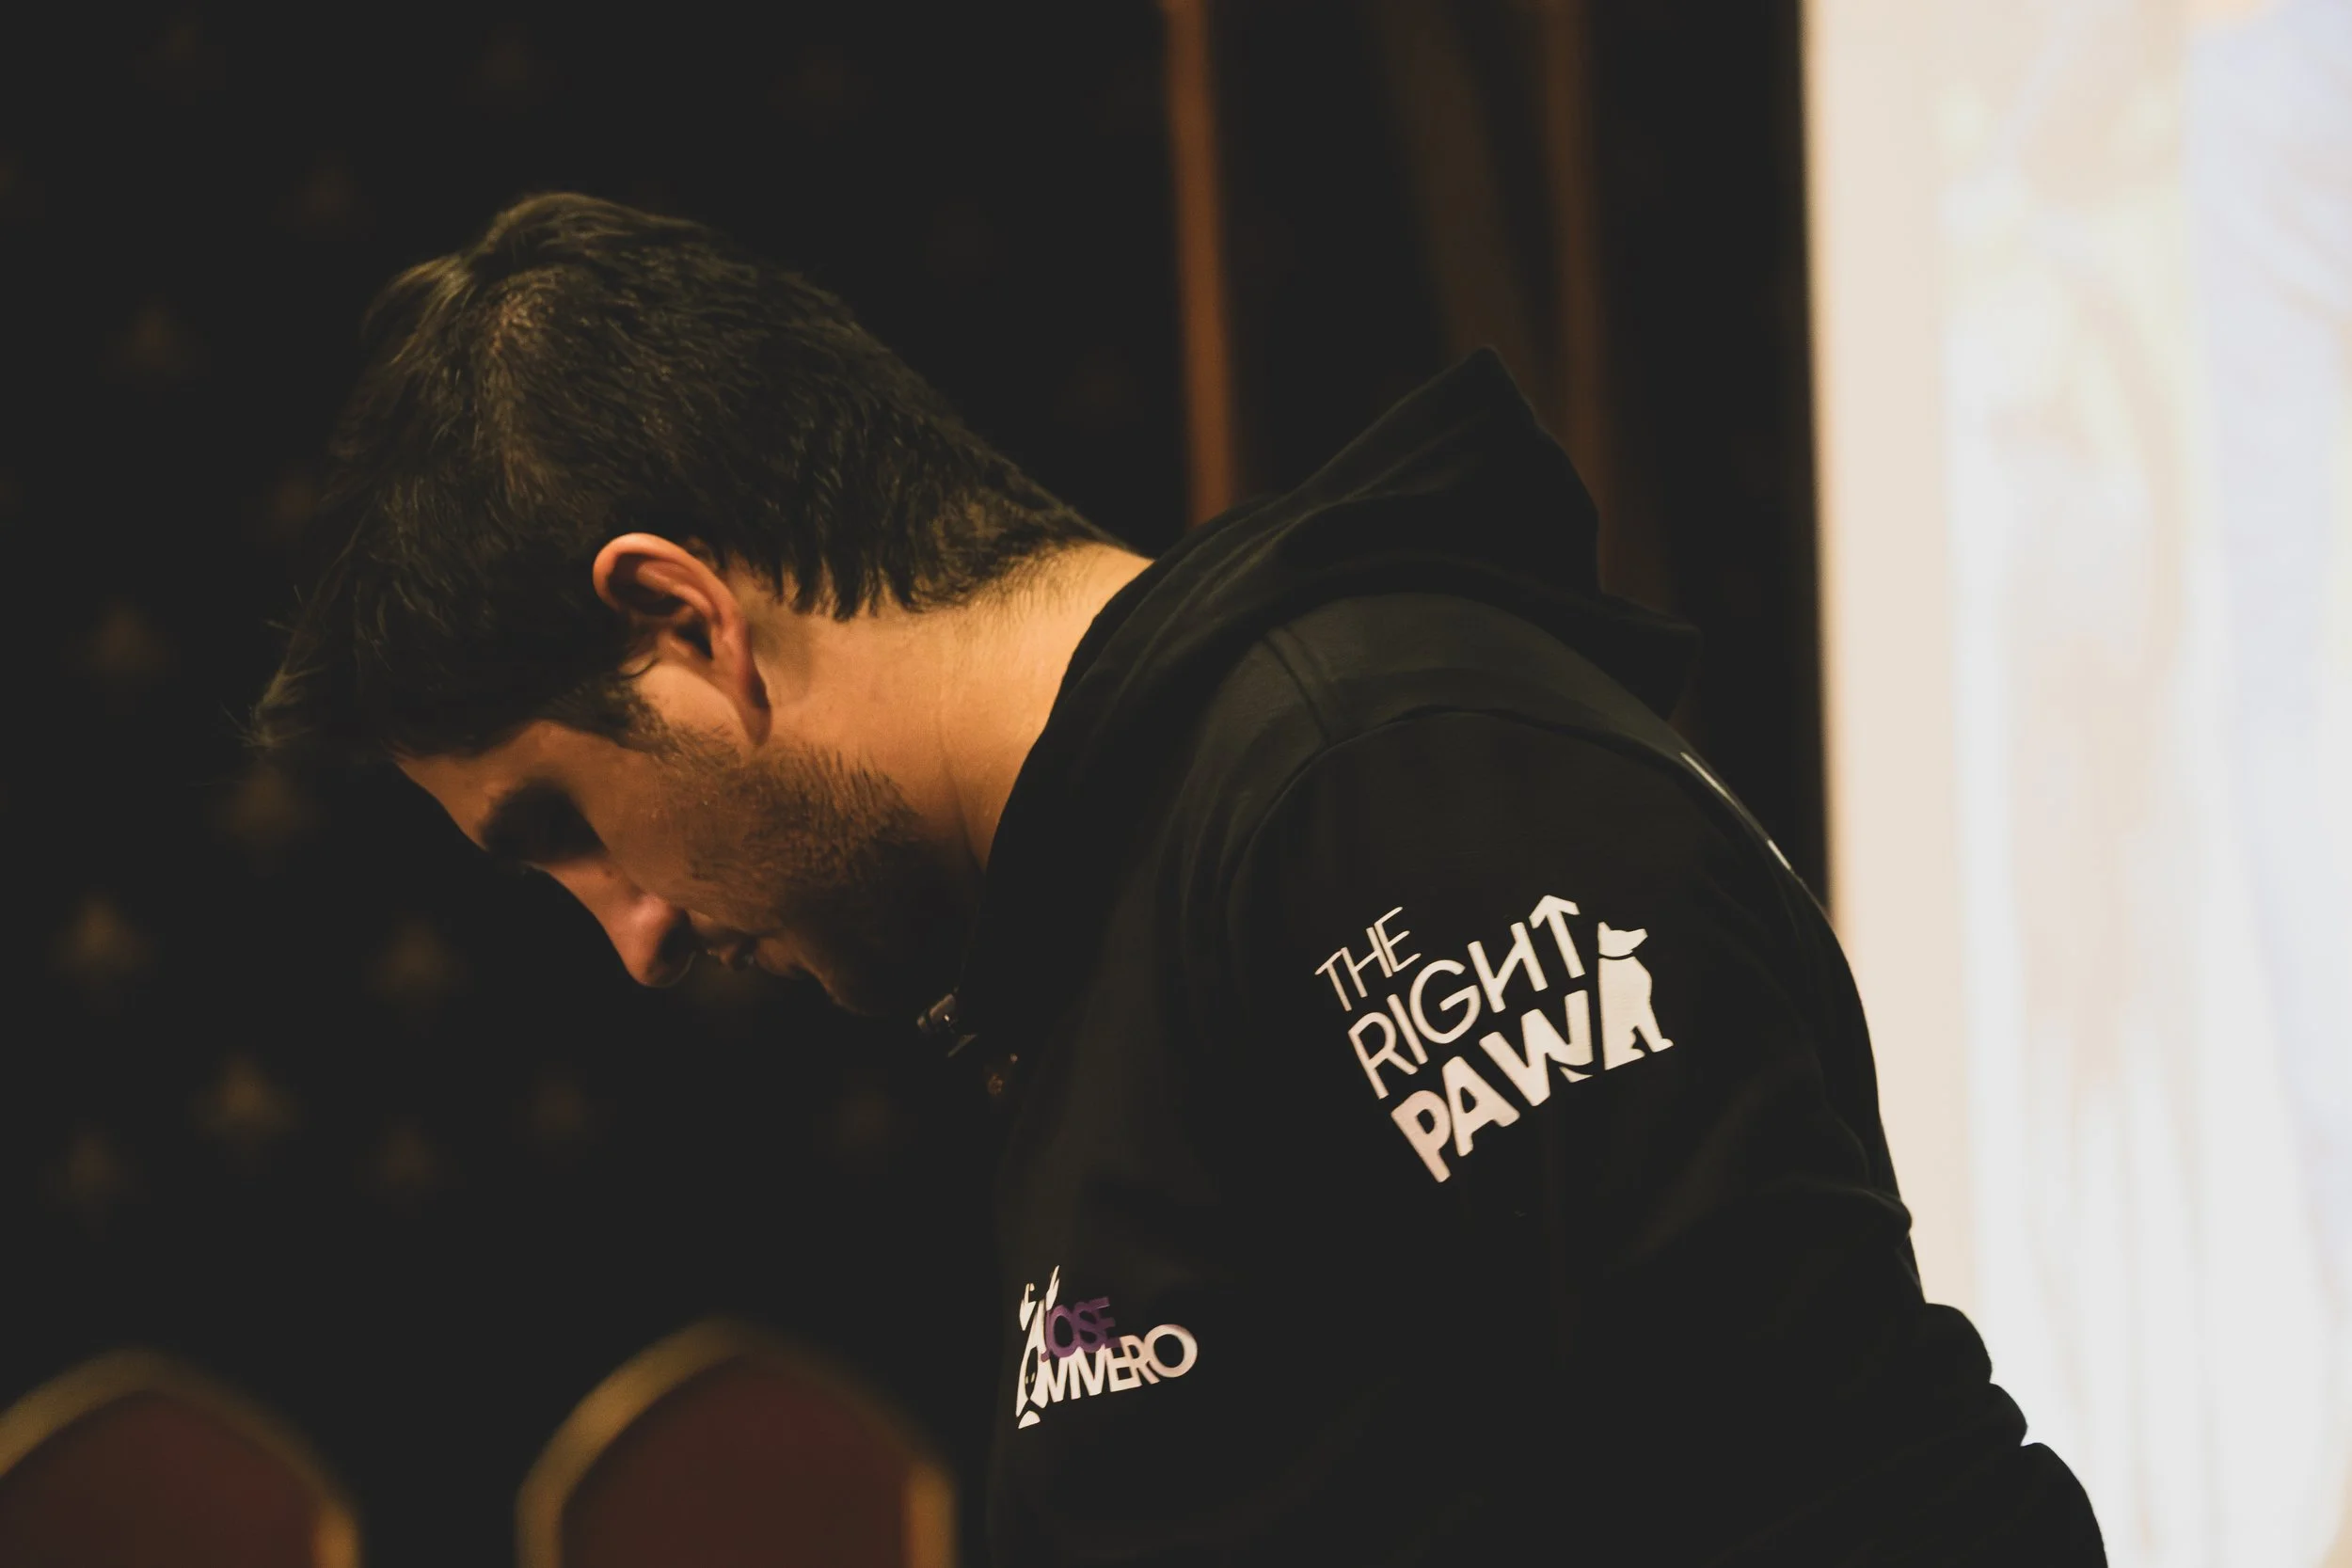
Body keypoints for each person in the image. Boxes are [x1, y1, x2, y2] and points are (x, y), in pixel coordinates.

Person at [253, 193, 2103, 1565]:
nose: (633, 934)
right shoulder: (1101, 918)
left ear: (680, 617)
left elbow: (1871, 1512)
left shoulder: (1375, 794)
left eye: (562, 827)